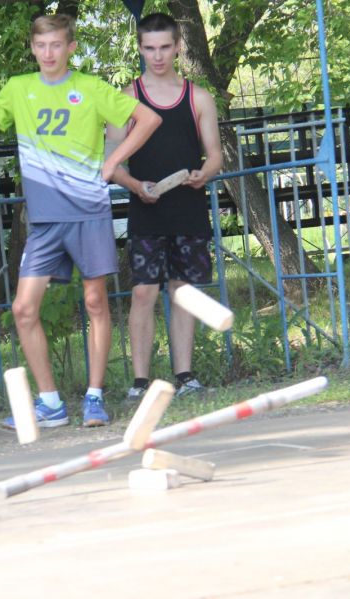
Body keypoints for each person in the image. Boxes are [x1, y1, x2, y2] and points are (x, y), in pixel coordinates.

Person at [0, 14, 161, 428]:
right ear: (32, 48)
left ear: (71, 48)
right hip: (44, 221)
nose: (49, 54)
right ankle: (50, 403)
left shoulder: (90, 88)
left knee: (96, 302)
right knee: (23, 309)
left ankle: (94, 398)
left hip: (87, 213)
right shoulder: (18, 88)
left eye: (57, 45)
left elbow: (150, 119)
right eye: (41, 46)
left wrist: (113, 159)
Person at [107, 13, 223, 400]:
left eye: (164, 47)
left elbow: (215, 157)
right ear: (140, 49)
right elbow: (111, 163)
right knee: (143, 292)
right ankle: (140, 381)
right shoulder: (126, 98)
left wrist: (202, 175)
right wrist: (136, 186)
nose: (157, 56)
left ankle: (185, 375)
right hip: (145, 210)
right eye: (149, 48)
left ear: (177, 47)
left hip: (187, 208)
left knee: (183, 291)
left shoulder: (198, 97)